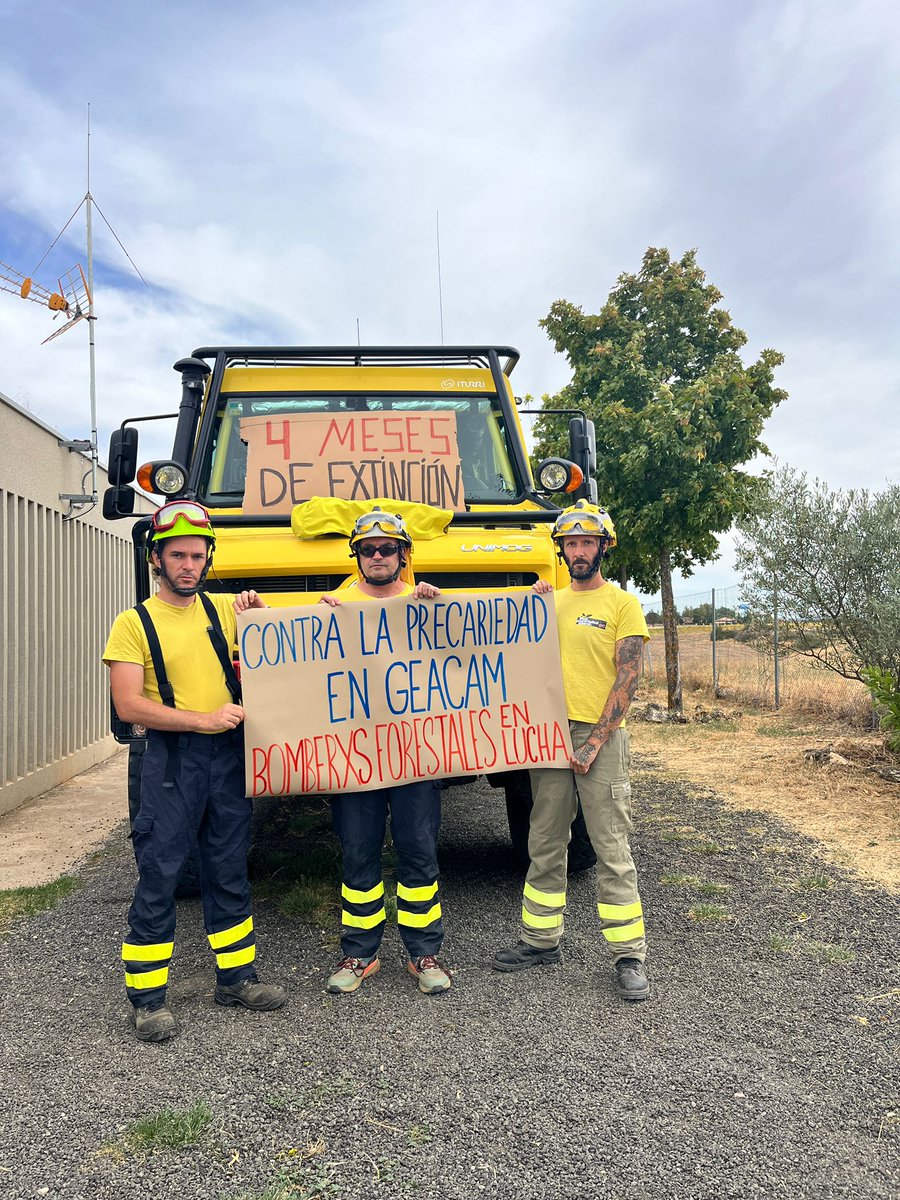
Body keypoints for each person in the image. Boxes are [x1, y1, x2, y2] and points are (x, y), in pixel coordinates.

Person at [103, 500, 287, 1042]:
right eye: (178, 555)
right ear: (156, 559)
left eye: (198, 556)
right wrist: (202, 719)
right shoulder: (132, 623)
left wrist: (260, 607)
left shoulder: (226, 609)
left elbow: (300, 639)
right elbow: (129, 706)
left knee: (228, 868)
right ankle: (147, 999)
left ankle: (236, 979)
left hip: (227, 760)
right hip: (168, 760)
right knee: (160, 873)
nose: (189, 565)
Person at [492, 499, 652, 1001]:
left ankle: (628, 956)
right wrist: (533, 601)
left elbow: (628, 677)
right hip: (548, 735)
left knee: (611, 847)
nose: (578, 551)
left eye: (587, 542)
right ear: (561, 550)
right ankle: (541, 942)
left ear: (603, 547)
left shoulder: (622, 605)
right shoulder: (549, 603)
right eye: (570, 544)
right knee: (544, 840)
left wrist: (595, 742)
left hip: (598, 736)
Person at [318, 507, 451, 996]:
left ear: (403, 554)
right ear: (356, 556)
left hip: (415, 755)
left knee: (419, 852)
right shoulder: (333, 607)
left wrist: (437, 610)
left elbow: (468, 656)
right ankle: (359, 954)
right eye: (367, 549)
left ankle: (424, 953)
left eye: (387, 548)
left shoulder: (425, 603)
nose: (377, 556)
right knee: (358, 856)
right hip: (354, 757)